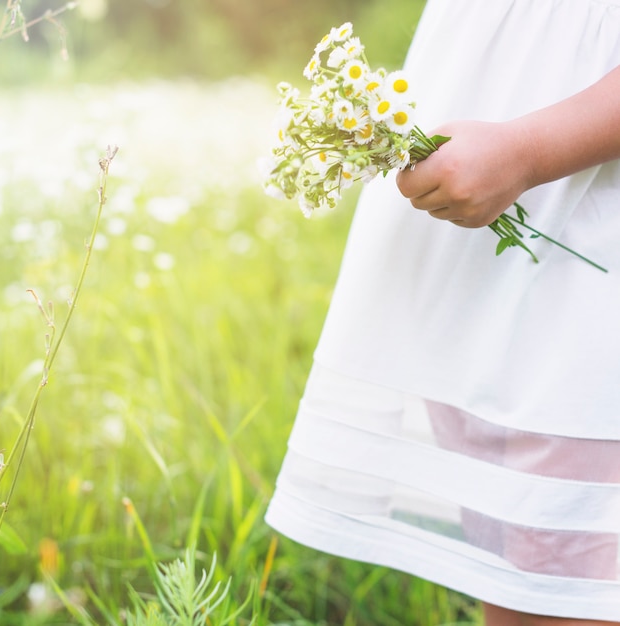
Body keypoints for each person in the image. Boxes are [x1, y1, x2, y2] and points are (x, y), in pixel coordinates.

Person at [265, 0, 620, 624]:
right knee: (517, 563)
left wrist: (528, 150)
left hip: (584, 218)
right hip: (476, 239)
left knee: (571, 571)